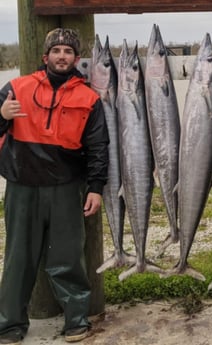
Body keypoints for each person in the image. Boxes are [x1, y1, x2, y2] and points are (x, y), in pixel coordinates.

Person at [0, 28, 109, 344]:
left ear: (76, 58)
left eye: (68, 51)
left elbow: (98, 147)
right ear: (45, 56)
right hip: (22, 186)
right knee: (18, 258)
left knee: (68, 258)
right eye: (57, 50)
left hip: (65, 186)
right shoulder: (16, 88)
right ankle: (10, 324)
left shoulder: (89, 98)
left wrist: (95, 187)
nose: (62, 56)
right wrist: (1, 114)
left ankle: (76, 320)